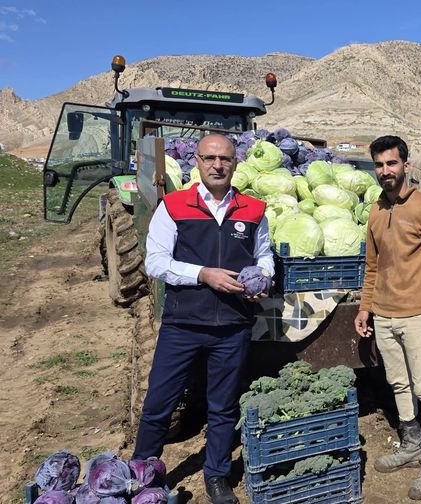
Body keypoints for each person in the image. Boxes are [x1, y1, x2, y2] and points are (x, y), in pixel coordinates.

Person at [133, 133, 273, 504]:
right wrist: (203, 274)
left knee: (223, 405)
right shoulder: (174, 205)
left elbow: (265, 256)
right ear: (196, 161)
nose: (217, 165)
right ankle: (142, 471)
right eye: (210, 158)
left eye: (225, 159)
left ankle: (217, 476)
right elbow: (155, 262)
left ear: (235, 163)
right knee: (159, 402)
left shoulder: (254, 209)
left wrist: (264, 278)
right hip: (183, 324)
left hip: (232, 325)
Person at [354, 135, 421, 500]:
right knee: (397, 383)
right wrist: (366, 307)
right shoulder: (377, 211)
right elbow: (372, 266)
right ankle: (410, 446)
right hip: (384, 314)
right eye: (379, 165)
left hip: (417, 315)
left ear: (405, 166)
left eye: (391, 164)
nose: (385, 171)